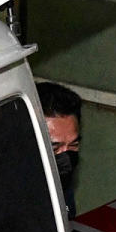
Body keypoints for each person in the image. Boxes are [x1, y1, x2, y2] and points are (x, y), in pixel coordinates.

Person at [37, 82, 82, 218]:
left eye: (73, 145)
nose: (66, 158)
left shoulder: (61, 180)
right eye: (55, 148)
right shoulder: (10, 200)